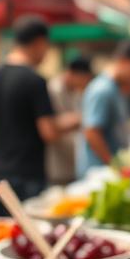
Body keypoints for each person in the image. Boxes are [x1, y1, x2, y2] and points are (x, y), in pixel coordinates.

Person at [0, 16, 79, 215]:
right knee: (27, 239)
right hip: (27, 176)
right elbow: (48, 132)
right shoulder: (35, 80)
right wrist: (74, 121)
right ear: (39, 42)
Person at [78, 40, 130, 176]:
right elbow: (92, 132)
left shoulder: (116, 89)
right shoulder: (102, 90)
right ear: (123, 61)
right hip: (98, 174)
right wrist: (113, 165)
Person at [46, 55, 92, 185]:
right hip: (56, 165)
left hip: (72, 162)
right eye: (84, 79)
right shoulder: (52, 90)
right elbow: (51, 125)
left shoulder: (76, 92)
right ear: (73, 74)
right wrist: (82, 118)